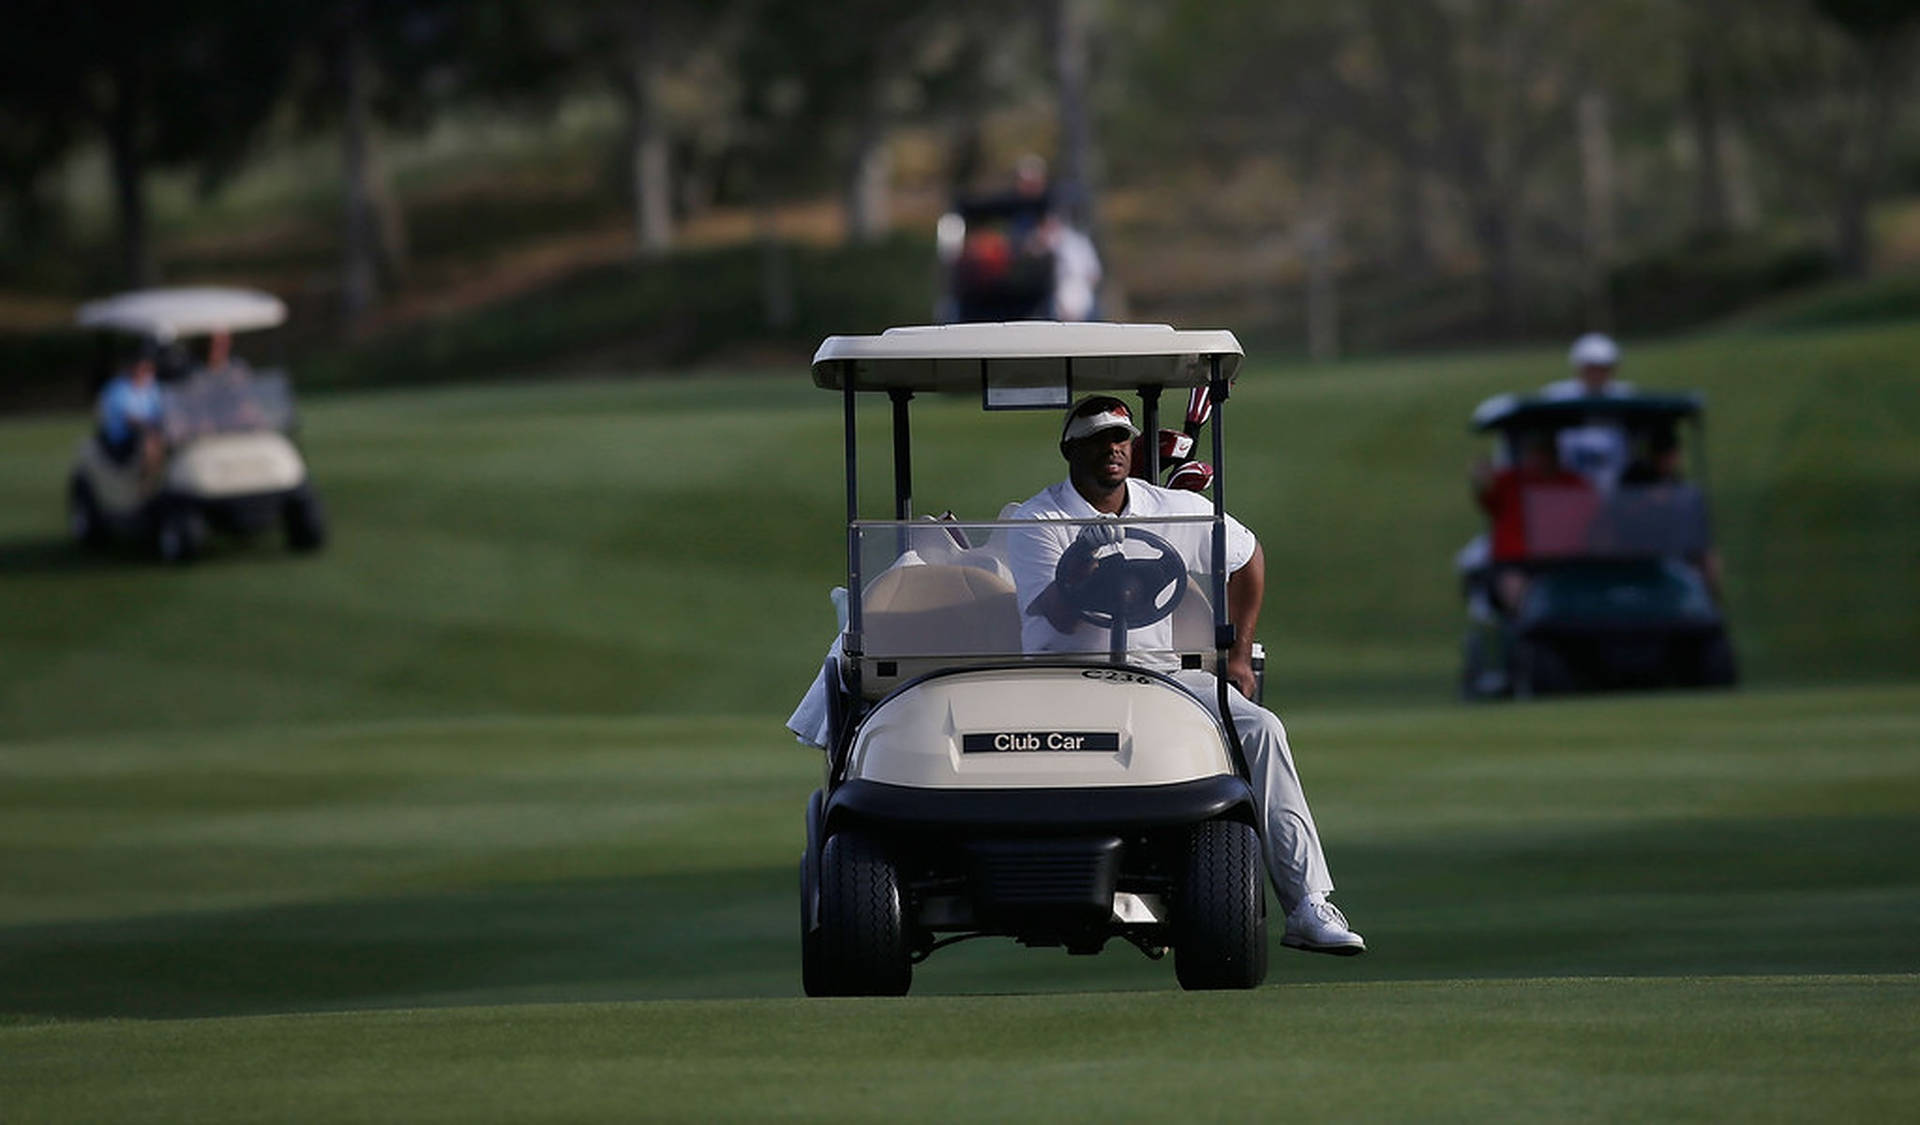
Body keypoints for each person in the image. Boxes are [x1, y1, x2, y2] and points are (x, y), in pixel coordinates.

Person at [1004, 394, 1365, 955]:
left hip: (1157, 673)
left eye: (1121, 439)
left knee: (1261, 728)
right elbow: (1053, 611)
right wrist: (1077, 566)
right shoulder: (1038, 520)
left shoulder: (1164, 506)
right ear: (1070, 450)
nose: (1113, 451)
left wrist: (1239, 655)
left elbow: (1246, 557)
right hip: (1063, 677)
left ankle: (1308, 903)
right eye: (1098, 440)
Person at [1470, 428, 1593, 614]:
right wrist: (1482, 480)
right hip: (1517, 561)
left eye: (1545, 452)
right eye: (1535, 452)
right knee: (1515, 588)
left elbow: (1590, 517)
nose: (1539, 458)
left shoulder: (1574, 483)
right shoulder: (1509, 481)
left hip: (1562, 561)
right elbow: (1488, 500)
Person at [1543, 333, 1636, 490]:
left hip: (1618, 491)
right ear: (1579, 368)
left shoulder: (1627, 398)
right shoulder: (1557, 398)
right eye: (1591, 368)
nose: (1597, 374)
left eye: (1603, 368)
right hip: (1570, 490)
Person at [96, 343, 165, 475]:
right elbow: (130, 419)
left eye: (149, 369)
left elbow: (162, 412)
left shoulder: (153, 387)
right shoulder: (117, 388)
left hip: (150, 432)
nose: (146, 373)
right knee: (149, 442)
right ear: (133, 367)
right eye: (143, 368)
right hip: (121, 439)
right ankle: (147, 484)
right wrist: (152, 428)